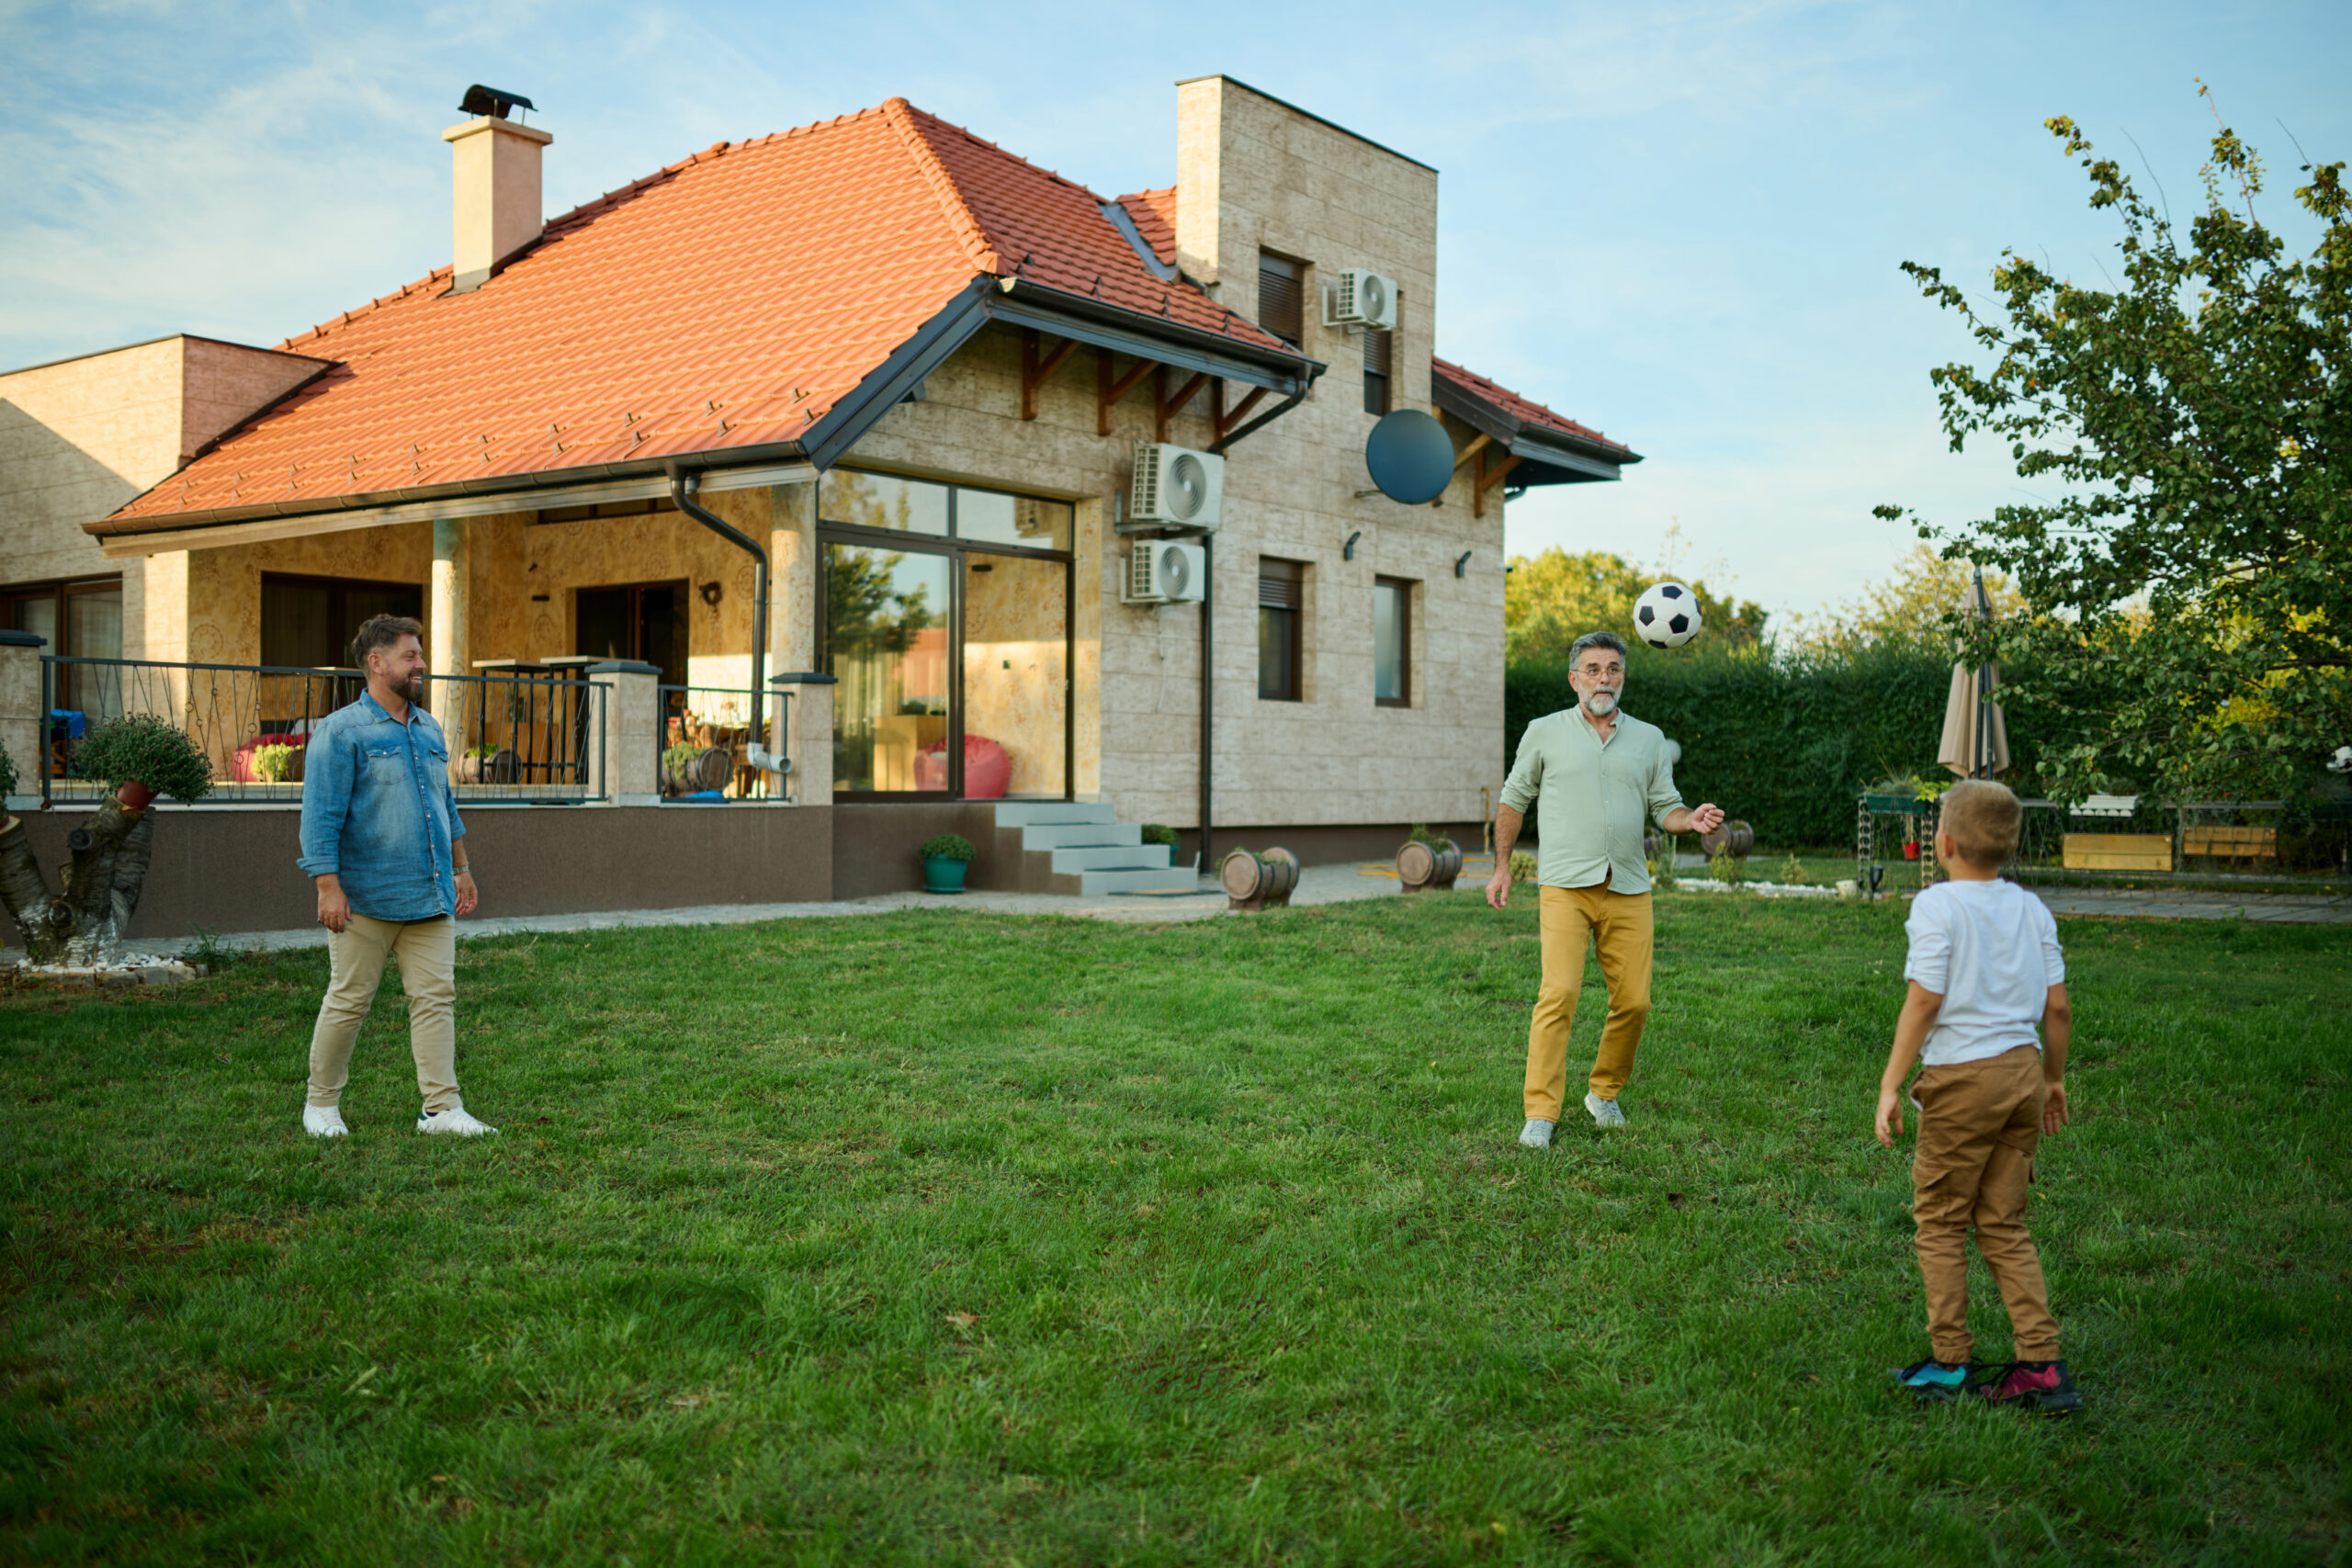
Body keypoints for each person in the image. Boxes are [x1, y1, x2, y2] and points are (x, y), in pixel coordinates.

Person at [1876, 779, 2079, 1413]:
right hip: (2022, 1074)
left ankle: (1950, 1363)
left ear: (1944, 841)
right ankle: (2041, 1367)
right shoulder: (2031, 908)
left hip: (1964, 1082)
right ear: (2011, 846)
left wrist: (1889, 1083)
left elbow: (1926, 998)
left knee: (1939, 1219)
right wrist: (2052, 1077)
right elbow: (2058, 1006)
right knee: (2003, 1221)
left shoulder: (1937, 907)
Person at [1486, 630, 1724, 1144]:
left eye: (1613, 669)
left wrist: (1692, 819)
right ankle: (1541, 1114)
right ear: (1574, 679)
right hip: (1565, 886)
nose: (1604, 678)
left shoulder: (1648, 738)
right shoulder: (1544, 732)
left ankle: (1603, 1093)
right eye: (1593, 669)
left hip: (1630, 885)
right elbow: (1513, 798)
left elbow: (1666, 807)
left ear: (1623, 677)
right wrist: (1503, 865)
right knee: (1560, 994)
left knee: (1635, 1002)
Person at [295, 615, 494, 1138]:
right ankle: (320, 1105)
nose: (422, 663)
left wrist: (463, 868)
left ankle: (441, 1109)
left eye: (420, 654)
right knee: (349, 1000)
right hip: (364, 897)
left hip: (429, 892)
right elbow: (320, 816)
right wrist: (327, 886)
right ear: (376, 663)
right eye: (410, 655)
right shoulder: (341, 732)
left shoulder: (428, 729)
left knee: (436, 999)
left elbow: (443, 804)